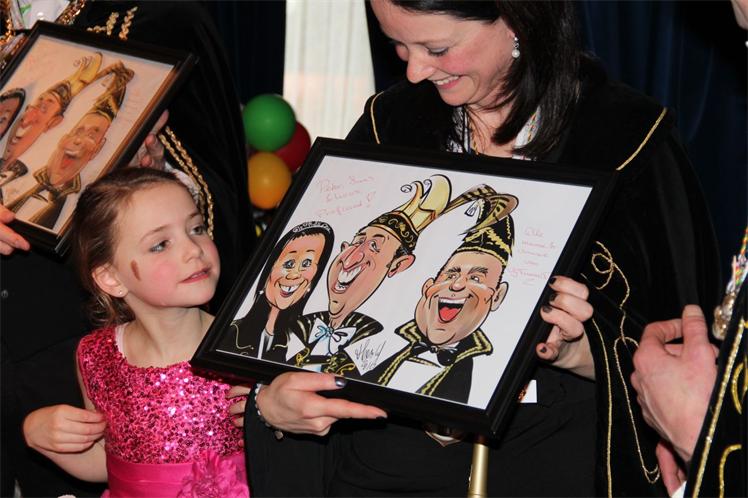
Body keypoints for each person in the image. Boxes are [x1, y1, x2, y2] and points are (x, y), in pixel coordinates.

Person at [245, 1, 720, 497]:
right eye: (398, 46)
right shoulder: (392, 123)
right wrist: (271, 401)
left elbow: (682, 342)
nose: (414, 71)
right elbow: (300, 318)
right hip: (384, 468)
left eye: (436, 48)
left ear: (517, 19)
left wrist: (579, 351)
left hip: (552, 463)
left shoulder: (624, 138)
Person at [0, 2, 254, 496]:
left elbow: (211, 180)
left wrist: (149, 169)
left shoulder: (161, 18)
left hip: (64, 329)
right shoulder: (98, 360)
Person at [21, 167, 250, 497]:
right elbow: (107, 462)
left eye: (196, 228)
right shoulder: (96, 356)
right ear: (111, 278)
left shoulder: (246, 345)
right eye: (160, 245)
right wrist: (37, 434)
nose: (193, 249)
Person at [364, 188, 517, 403]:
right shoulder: (376, 338)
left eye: (476, 278)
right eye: (451, 274)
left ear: (497, 297)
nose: (457, 284)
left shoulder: (494, 371)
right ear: (428, 287)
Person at [288, 174, 450, 373]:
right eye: (357, 242)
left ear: (398, 265)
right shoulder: (295, 327)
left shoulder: (382, 345)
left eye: (374, 246)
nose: (350, 259)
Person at [4, 62, 133, 226]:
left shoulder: (83, 207)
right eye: (77, 131)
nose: (78, 140)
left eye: (92, 136)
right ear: (63, 137)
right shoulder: (18, 174)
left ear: (97, 149)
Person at [223, 221, 334, 363]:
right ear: (268, 269)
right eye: (289, 263)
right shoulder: (230, 333)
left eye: (306, 264)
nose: (294, 274)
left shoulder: (306, 343)